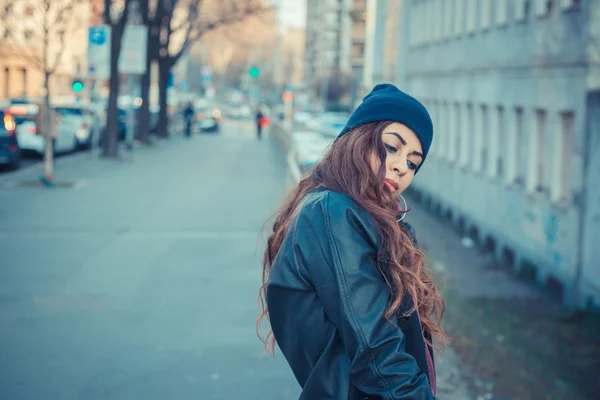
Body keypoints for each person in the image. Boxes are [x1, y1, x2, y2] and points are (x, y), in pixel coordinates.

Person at [257, 84, 445, 399]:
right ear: (358, 140)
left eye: (413, 162)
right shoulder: (334, 213)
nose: (401, 166)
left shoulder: (363, 218)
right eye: (392, 147)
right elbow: (375, 345)